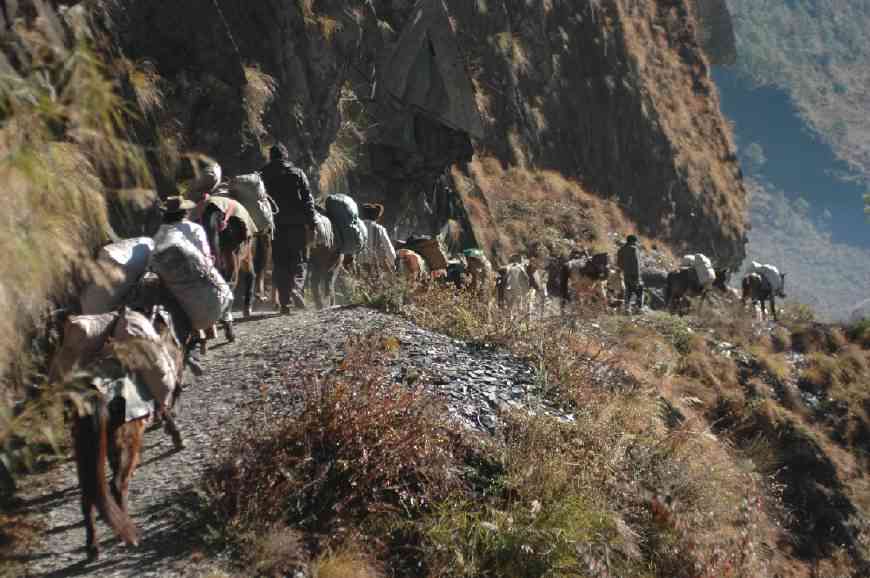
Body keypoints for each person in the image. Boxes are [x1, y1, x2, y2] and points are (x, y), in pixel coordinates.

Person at [260, 143, 316, 313]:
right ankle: (295, 288)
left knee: (280, 263)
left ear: (271, 157)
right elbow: (308, 199)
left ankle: (284, 303)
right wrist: (312, 222)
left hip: (275, 226)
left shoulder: (263, 174)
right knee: (299, 261)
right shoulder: (297, 173)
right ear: (285, 156)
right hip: (297, 225)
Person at [358, 203, 396, 278]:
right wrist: (392, 262)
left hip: (356, 267)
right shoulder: (380, 229)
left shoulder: (357, 227)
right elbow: (389, 249)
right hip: (373, 269)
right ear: (377, 217)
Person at [617, 234, 643, 313]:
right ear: (633, 241)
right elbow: (636, 264)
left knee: (628, 291)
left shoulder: (621, 249)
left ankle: (627, 309)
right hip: (634, 274)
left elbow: (619, 263)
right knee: (639, 290)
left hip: (626, 274)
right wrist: (637, 276)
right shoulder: (634, 249)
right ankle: (638, 309)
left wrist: (624, 269)